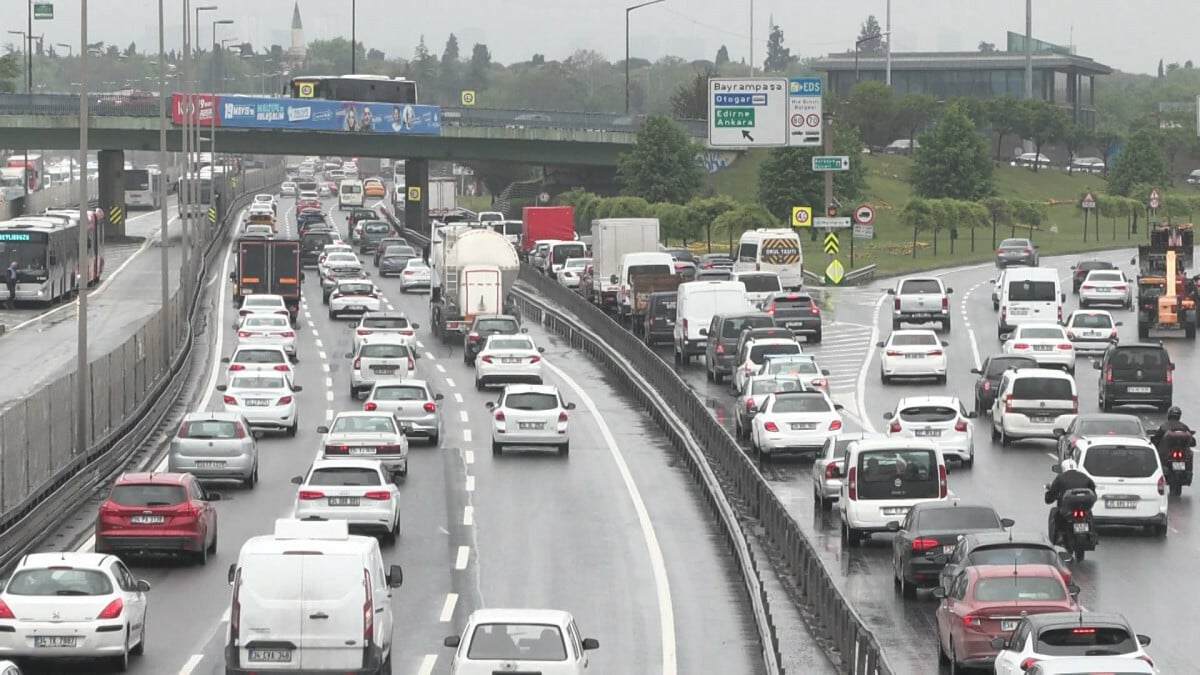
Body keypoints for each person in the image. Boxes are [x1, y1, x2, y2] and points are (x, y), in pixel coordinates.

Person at [1044, 458, 1096, 544]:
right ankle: (1092, 535)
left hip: (1067, 510)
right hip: (1083, 508)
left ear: (1063, 468)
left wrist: (1049, 496)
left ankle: (1059, 536)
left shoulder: (1060, 478)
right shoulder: (1085, 476)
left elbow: (1052, 495)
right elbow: (1093, 491)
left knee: (1057, 516)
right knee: (1089, 516)